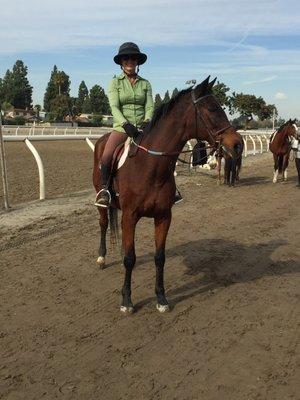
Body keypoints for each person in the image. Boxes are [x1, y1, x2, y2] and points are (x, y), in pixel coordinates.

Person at [95, 42, 183, 207]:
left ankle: (172, 189)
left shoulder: (145, 84)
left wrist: (146, 122)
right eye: (126, 59)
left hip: (144, 128)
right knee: (106, 155)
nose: (130, 62)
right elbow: (114, 106)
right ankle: (105, 190)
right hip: (122, 128)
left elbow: (149, 106)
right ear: (121, 62)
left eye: (133, 59)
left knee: (164, 152)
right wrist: (125, 124)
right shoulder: (115, 83)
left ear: (137, 62)